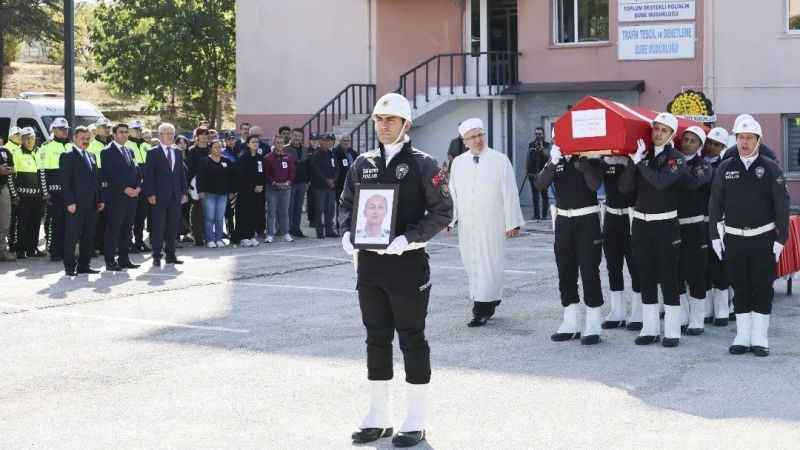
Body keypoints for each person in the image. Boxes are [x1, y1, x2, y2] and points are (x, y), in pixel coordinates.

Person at [340, 93, 452, 448]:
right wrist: (346, 232)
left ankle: (415, 418)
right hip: (369, 265)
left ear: (406, 124)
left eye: (390, 120)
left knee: (411, 337)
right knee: (376, 336)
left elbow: (442, 212)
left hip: (407, 264)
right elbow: (346, 204)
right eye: (378, 119)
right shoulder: (363, 162)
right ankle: (378, 414)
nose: (383, 126)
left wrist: (410, 239)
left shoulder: (424, 164)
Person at [708, 117, 789, 357]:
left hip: (763, 238)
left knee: (762, 287)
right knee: (740, 285)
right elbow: (714, 204)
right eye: (740, 138)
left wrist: (780, 239)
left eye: (749, 138)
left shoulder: (771, 167)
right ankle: (742, 336)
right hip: (734, 238)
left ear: (758, 140)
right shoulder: (725, 167)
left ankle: (760, 338)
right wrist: (714, 235)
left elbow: (782, 206)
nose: (744, 142)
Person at [619, 112, 690, 347]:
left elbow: (661, 183)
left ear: (671, 135)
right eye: (655, 129)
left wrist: (640, 164)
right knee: (646, 275)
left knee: (668, 276)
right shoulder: (644, 157)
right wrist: (632, 163)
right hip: (640, 223)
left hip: (665, 225)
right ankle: (649, 329)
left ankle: (671, 330)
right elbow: (625, 189)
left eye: (663, 130)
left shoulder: (677, 159)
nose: (657, 133)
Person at [449, 118, 525, 327]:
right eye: (472, 137)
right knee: (471, 262)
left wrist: (512, 222)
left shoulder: (500, 160)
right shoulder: (458, 163)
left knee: (490, 263)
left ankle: (481, 309)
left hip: (492, 222)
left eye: (480, 134)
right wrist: (451, 219)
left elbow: (510, 192)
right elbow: (453, 193)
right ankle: (488, 300)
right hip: (468, 223)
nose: (477, 140)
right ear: (464, 141)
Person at [534, 140, 605, 345]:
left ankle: (593, 324)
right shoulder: (555, 161)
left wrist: (583, 161)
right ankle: (570, 323)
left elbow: (594, 184)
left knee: (589, 272)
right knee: (565, 272)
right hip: (563, 219)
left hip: (587, 219)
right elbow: (539, 184)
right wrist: (552, 162)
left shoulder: (590, 158)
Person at [675, 126, 713, 335]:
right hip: (674, 223)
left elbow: (693, 184)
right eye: (685, 139)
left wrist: (679, 166)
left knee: (695, 271)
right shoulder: (672, 161)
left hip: (695, 225)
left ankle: (697, 317)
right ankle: (682, 313)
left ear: (699, 145)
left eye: (692, 140)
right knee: (676, 270)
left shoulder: (703, 166)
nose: (687, 143)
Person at [600, 154, 641, 330]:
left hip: (631, 217)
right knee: (613, 266)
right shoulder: (604, 161)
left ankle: (639, 312)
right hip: (611, 217)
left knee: (635, 266)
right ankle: (617, 312)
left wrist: (632, 161)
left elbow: (627, 188)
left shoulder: (635, 161)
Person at [60, 126, 104, 276]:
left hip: (91, 204)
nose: (85, 141)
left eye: (87, 138)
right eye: (82, 139)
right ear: (74, 139)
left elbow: (96, 180)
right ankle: (69, 267)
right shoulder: (67, 156)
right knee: (72, 237)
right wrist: (69, 202)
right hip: (75, 204)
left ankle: (84, 265)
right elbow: (65, 182)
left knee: (88, 236)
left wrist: (99, 199)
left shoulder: (91, 155)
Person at [144, 123, 187, 267]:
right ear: (160, 135)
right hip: (158, 196)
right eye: (166, 133)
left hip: (175, 195)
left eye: (171, 133)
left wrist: (184, 192)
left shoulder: (177, 152)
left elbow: (181, 174)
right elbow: (148, 175)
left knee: (172, 226)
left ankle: (171, 255)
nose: (169, 136)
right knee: (158, 227)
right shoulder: (153, 152)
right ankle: (156, 255)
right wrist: (150, 193)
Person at [101, 123, 141, 271]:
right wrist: (124, 188)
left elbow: (137, 172)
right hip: (116, 197)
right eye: (121, 132)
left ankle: (124, 259)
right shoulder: (107, 151)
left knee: (127, 229)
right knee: (113, 230)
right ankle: (110, 261)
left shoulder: (130, 150)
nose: (125, 135)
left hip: (132, 197)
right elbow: (110, 174)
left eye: (126, 132)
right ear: (114, 134)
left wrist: (138, 187)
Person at [703, 127, 732, 324]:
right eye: (710, 143)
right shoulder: (697, 163)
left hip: (720, 221)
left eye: (716, 144)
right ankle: (706, 308)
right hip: (699, 220)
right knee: (703, 265)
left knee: (719, 263)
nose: (711, 147)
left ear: (723, 147)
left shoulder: (726, 166)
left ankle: (722, 309)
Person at [10, 128, 47, 259]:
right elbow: (11, 176)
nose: (29, 140)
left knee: (35, 223)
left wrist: (44, 193)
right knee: (23, 223)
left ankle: (32, 248)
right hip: (23, 196)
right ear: (22, 139)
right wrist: (14, 195)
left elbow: (42, 174)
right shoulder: (16, 153)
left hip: (37, 196)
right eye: (26, 138)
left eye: (31, 137)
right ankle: (21, 250)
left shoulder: (39, 152)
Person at [39, 117, 72, 262]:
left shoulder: (72, 146)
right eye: (61, 129)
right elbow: (42, 172)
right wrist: (46, 193)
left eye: (66, 129)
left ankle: (66, 250)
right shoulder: (46, 147)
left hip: (70, 194)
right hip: (55, 193)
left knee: (69, 224)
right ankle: (54, 250)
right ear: (53, 130)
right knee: (55, 223)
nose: (64, 131)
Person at [197, 139, 233, 248]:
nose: (218, 149)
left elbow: (231, 177)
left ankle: (219, 239)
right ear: (210, 149)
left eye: (220, 147)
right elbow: (200, 177)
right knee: (209, 217)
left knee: (219, 217)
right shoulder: (204, 161)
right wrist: (201, 191)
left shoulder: (226, 161)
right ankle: (210, 239)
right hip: (208, 194)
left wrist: (231, 191)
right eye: (215, 147)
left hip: (223, 194)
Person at [264, 133, 297, 243]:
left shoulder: (288, 157)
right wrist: (274, 183)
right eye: (277, 142)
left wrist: (288, 182)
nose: (279, 144)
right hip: (272, 189)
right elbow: (266, 174)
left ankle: (285, 233)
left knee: (284, 212)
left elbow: (292, 172)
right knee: (271, 212)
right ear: (274, 143)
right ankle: (269, 234)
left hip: (286, 188)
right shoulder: (268, 157)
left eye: (281, 143)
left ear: (284, 144)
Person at [233, 136, 265, 247]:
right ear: (248, 144)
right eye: (253, 142)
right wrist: (253, 185)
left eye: (257, 142)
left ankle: (251, 235)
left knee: (254, 213)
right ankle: (243, 237)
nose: (255, 144)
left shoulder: (260, 158)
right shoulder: (243, 158)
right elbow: (242, 175)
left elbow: (261, 173)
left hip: (257, 191)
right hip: (245, 191)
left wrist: (260, 184)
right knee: (244, 214)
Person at [128, 120, 153, 253]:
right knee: (130, 216)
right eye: (135, 129)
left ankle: (139, 241)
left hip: (145, 186)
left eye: (139, 129)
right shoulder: (127, 145)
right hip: (133, 185)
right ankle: (128, 241)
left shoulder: (146, 146)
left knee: (141, 216)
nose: (138, 131)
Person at [310, 133, 338, 238]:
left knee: (330, 210)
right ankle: (320, 232)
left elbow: (336, 168)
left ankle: (329, 231)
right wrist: (326, 180)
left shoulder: (331, 154)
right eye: (324, 141)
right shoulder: (316, 155)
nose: (326, 143)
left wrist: (334, 179)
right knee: (319, 210)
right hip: (319, 187)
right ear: (320, 142)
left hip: (331, 187)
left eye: (328, 141)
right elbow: (316, 170)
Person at [187, 126, 211, 246]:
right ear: (197, 136)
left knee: (209, 211)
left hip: (210, 183)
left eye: (206, 134)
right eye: (202, 134)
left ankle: (209, 236)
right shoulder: (192, 150)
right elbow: (189, 169)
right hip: (195, 184)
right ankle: (197, 236)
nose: (204, 136)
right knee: (197, 211)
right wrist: (189, 186)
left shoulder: (211, 149)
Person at [286, 128, 310, 238]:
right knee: (289, 207)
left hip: (302, 183)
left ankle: (296, 229)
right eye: (295, 135)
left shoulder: (305, 150)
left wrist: (308, 180)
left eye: (299, 136)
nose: (297, 138)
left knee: (298, 207)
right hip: (290, 183)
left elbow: (308, 166)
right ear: (291, 136)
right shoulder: (285, 149)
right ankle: (288, 230)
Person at [334, 134, 358, 232]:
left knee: (352, 205)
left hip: (353, 183)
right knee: (340, 205)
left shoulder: (353, 153)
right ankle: (340, 224)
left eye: (348, 140)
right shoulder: (335, 152)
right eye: (344, 140)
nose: (346, 142)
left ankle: (351, 224)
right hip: (340, 183)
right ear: (339, 141)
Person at [526, 127, 552, 220]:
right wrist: (527, 169)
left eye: (540, 134)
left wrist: (542, 149)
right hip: (532, 173)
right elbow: (529, 157)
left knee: (544, 195)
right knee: (535, 195)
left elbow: (549, 156)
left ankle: (544, 215)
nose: (538, 136)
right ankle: (536, 215)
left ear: (543, 135)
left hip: (544, 173)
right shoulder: (531, 144)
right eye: (536, 134)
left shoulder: (547, 145)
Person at [0, 141, 16, 261]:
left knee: (5, 221)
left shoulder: (5, 151)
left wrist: (6, 170)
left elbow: (12, 169)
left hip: (3, 187)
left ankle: (2, 251)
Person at [222, 132, 239, 237]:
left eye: (232, 139)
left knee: (240, 211)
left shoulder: (240, 151)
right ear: (225, 141)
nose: (231, 141)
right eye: (228, 139)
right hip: (229, 187)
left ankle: (239, 230)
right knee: (229, 212)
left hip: (241, 186)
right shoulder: (223, 153)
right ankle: (230, 231)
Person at [306, 133, 321, 226]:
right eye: (313, 140)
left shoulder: (321, 151)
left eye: (316, 140)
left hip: (320, 180)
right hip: (310, 179)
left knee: (319, 201)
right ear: (310, 141)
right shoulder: (307, 151)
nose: (315, 142)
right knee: (311, 201)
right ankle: (312, 220)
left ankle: (318, 219)